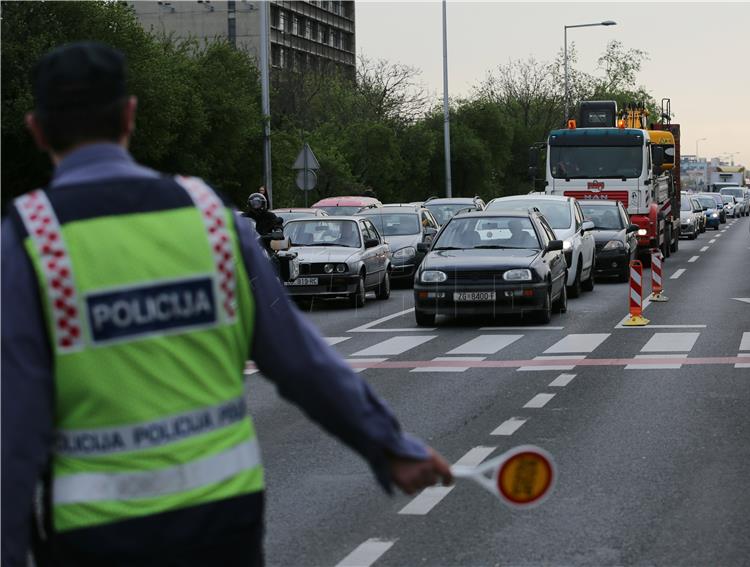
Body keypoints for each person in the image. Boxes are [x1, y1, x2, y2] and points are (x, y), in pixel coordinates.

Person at [1, 42, 452, 567]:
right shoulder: (210, 218)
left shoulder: (30, 241)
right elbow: (300, 359)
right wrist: (388, 445)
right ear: (129, 115)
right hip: (222, 522)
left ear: (36, 130)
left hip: (100, 533)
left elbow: (16, 427)